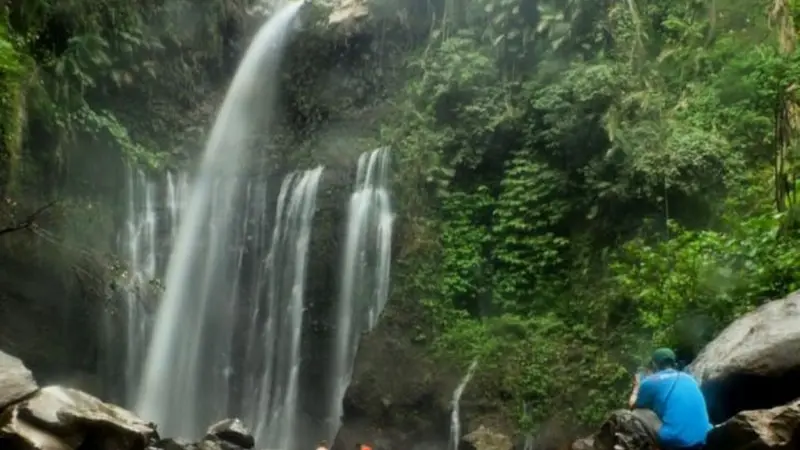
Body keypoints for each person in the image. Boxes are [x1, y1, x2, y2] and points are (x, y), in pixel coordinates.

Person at [628, 348, 712, 450]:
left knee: (638, 412)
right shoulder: (689, 378)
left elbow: (633, 405)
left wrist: (636, 387)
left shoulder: (650, 381)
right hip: (706, 436)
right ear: (674, 363)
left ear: (654, 365)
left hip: (676, 441)